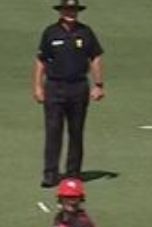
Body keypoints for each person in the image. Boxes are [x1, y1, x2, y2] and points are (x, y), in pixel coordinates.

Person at [34, 0, 105, 188]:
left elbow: (95, 57)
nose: (71, 13)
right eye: (67, 10)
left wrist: (98, 85)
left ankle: (73, 173)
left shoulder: (85, 32)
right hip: (54, 87)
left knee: (76, 132)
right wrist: (38, 87)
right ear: (61, 11)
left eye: (74, 10)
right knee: (53, 132)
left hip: (78, 87)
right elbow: (41, 61)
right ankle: (50, 174)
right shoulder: (50, 32)